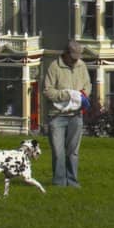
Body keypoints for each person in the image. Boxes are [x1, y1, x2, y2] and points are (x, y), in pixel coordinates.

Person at [43, 40, 91, 188]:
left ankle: (72, 182)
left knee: (73, 152)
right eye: (73, 57)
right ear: (66, 54)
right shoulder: (54, 67)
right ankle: (59, 183)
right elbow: (47, 90)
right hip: (57, 116)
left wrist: (83, 95)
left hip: (76, 116)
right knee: (58, 152)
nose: (76, 60)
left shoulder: (82, 66)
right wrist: (67, 95)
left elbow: (87, 85)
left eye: (78, 57)